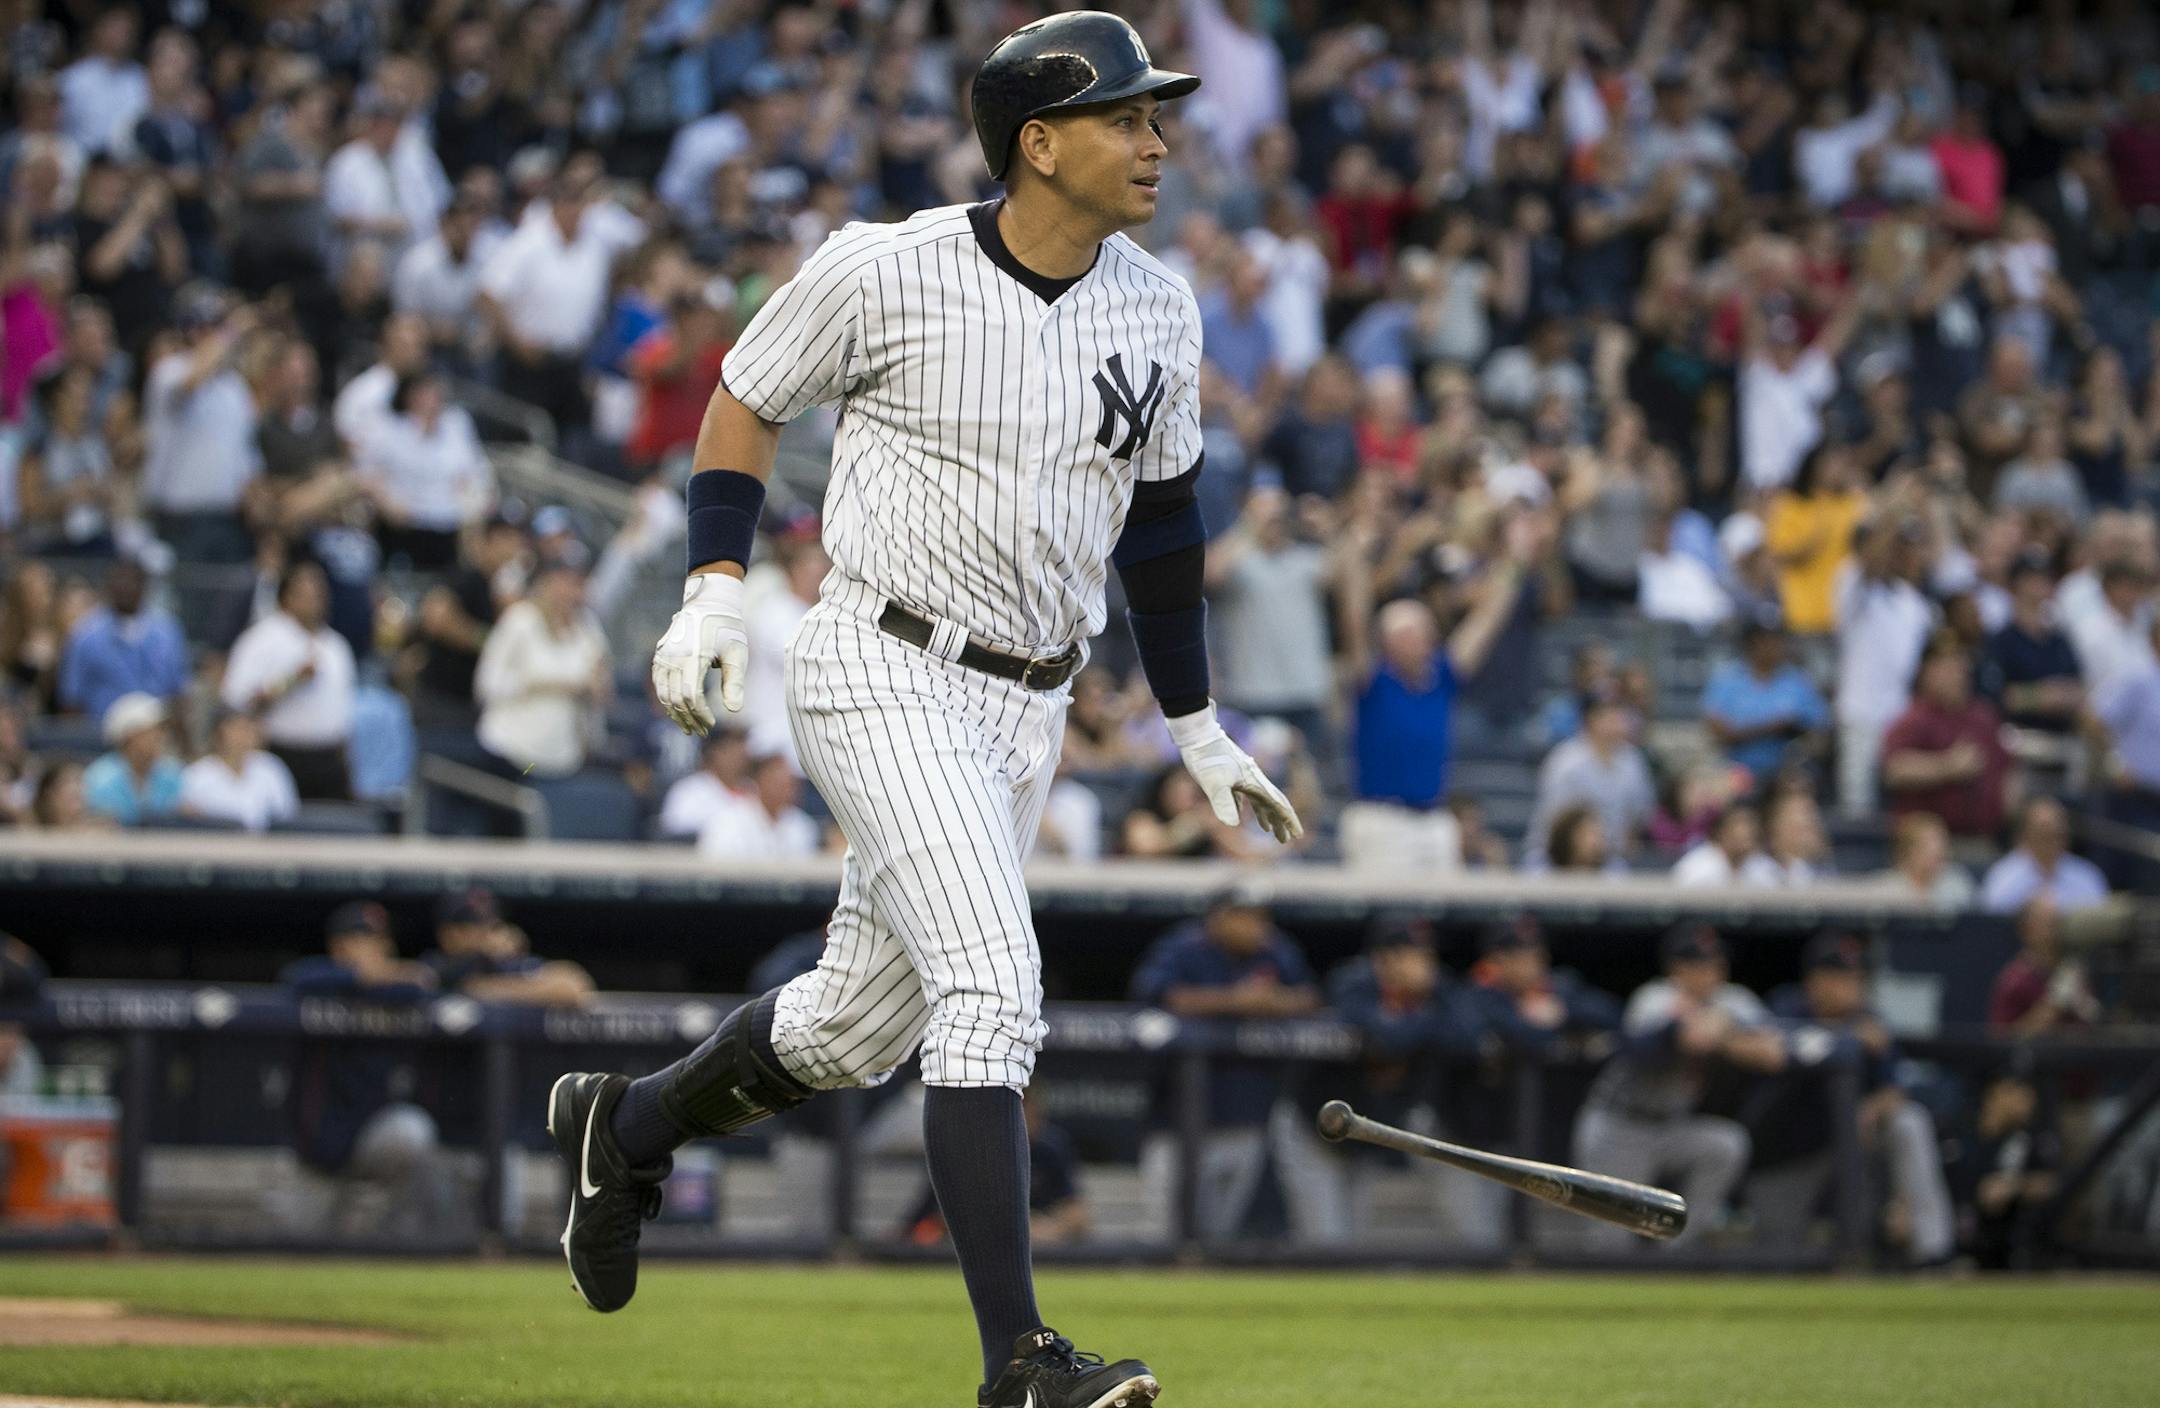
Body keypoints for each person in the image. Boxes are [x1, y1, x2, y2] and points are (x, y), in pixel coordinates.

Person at [546, 22, 1290, 1407]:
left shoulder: (1159, 307)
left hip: (1031, 706)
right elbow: (743, 398)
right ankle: (1018, 1363)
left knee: (850, 1031)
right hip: (883, 662)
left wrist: (1195, 726)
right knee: (994, 995)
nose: (1157, 142)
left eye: (1157, 116)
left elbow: (1169, 528)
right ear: (1039, 141)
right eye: (1127, 118)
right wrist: (714, 589)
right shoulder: (883, 266)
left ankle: (627, 1126)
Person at [1129, 881, 1325, 1244]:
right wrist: (1236, 1001)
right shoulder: (1184, 947)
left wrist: (1272, 1003)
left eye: (1258, 918)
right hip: (1176, 1124)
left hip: (1244, 1117)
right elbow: (1159, 994)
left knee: (1218, 1240)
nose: (1253, 927)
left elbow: (1309, 997)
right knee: (1162, 1237)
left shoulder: (1274, 950)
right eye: (1241, 918)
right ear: (1217, 918)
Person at [1572, 924, 1787, 1250]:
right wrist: (1708, 1032)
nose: (1708, 973)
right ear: (1676, 969)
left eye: (1715, 964)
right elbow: (1670, 1044)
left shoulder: (1733, 1001)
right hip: (1620, 1127)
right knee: (1611, 1246)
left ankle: (1674, 1253)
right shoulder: (1654, 998)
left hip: (1673, 1127)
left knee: (1725, 1145)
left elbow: (1772, 1054)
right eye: (1697, 964)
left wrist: (1723, 1032)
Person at [1342, 522, 1538, 870]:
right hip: (1381, 819)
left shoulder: (1441, 678)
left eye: (1425, 630)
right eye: (1411, 632)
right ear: (1389, 644)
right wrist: (1356, 559)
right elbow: (1355, 623)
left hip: (1433, 819)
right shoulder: (1373, 683)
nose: (1425, 638)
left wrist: (1516, 562)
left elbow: (1487, 620)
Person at [1752, 933, 1956, 1265]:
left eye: (1856, 978)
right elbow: (1770, 1052)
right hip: (1787, 1160)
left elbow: (1897, 1089)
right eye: (1840, 978)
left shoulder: (1870, 1020)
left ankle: (1933, 1252)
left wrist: (1872, 1108)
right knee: (1778, 1259)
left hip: (1845, 1155)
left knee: (1908, 1122)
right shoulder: (1786, 1008)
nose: (1851, 987)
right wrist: (1843, 1041)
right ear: (1815, 981)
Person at [281, 902, 459, 1239]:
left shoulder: (397, 992)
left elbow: (422, 985)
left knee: (413, 1131)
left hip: (370, 1140)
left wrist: (381, 977)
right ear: (337, 945)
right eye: (359, 938)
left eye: (377, 940)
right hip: (313, 1154)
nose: (371, 948)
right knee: (296, 1249)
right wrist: (362, 974)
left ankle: (396, 1240)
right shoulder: (316, 983)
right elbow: (295, 980)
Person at [1311, 916, 1491, 1247]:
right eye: (1413, 954)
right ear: (1384, 958)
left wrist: (1425, 1003)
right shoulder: (1353, 984)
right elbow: (1391, 1039)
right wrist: (1426, 1018)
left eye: (1427, 954)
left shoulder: (1439, 989)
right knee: (1327, 1241)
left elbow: (1471, 1041)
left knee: (1355, 1242)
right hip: (1313, 1130)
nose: (1424, 964)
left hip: (1365, 1129)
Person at [221, 561, 357, 800]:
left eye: (319, 593)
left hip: (328, 759)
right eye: (306, 594)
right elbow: (236, 702)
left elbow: (344, 712)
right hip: (281, 754)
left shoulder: (337, 646)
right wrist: (290, 681)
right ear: (287, 597)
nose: (314, 601)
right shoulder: (261, 640)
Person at [473, 560, 610, 779]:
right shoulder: (519, 620)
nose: (567, 591)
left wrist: (594, 689)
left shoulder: (589, 630)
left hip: (562, 760)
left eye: (576, 583)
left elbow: (602, 691)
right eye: (561, 581)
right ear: (545, 584)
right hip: (511, 753)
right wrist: (547, 685)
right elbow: (486, 684)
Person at [354, 369, 493, 570]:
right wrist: (385, 501)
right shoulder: (390, 429)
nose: (432, 400)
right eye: (424, 393)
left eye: (436, 393)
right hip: (404, 523)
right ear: (410, 396)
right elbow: (364, 470)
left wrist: (475, 500)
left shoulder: (457, 423)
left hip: (449, 523)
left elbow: (477, 469)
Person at [1881, 634, 2014, 839]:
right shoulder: (1913, 719)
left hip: (1986, 838)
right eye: (1946, 667)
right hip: (1929, 846)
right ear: (1926, 672)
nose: (1956, 674)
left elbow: (2008, 769)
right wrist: (1947, 766)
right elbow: (1895, 769)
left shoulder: (1984, 717)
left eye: (1960, 665)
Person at [1525, 696, 1656, 869]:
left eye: (1621, 717)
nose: (1619, 723)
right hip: (1556, 857)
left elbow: (1641, 813)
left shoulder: (1632, 761)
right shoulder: (1565, 762)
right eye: (1612, 717)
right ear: (1592, 720)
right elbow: (1556, 821)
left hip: (1608, 858)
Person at [55, 558, 187, 723]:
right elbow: (71, 699)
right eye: (120, 580)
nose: (125, 588)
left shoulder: (167, 632)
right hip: (100, 735)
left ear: (144, 586)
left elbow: (178, 692)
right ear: (108, 586)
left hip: (157, 735)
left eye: (132, 581)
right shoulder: (85, 635)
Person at [1702, 617, 1829, 785]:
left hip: (1785, 771)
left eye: (1778, 639)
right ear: (1750, 642)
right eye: (1765, 639)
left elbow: (1819, 735)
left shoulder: (1797, 680)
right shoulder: (1728, 678)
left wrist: (1798, 735)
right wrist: (1774, 727)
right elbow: (1719, 734)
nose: (1774, 645)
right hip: (1735, 769)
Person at [423, 886, 594, 1008]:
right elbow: (409, 977)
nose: (485, 932)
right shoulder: (436, 964)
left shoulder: (505, 964)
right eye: (473, 925)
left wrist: (492, 989)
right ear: (447, 934)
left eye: (490, 924)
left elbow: (572, 987)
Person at [1986, 548, 2083, 739]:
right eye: (2030, 578)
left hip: (2060, 740)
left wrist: (2065, 696)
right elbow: (1994, 696)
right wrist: (2040, 696)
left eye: (2043, 578)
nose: (2038, 585)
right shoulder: (2002, 641)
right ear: (2015, 584)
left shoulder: (2059, 640)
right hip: (2019, 739)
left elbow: (2079, 686)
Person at [1989, 894, 2101, 1036]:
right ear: (2026, 929)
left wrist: (2086, 1007)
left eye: (2056, 922)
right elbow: (2003, 1041)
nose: (2053, 930)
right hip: (2035, 1057)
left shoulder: (2071, 971)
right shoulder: (2014, 981)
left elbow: (2089, 1031)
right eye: (2046, 923)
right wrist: (2054, 1002)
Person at [1980, 797, 2110, 915]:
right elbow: (1992, 921)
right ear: (2025, 835)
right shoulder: (2003, 878)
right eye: (2044, 830)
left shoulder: (2088, 876)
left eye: (2058, 831)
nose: (2053, 835)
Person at [180, 709, 299, 833]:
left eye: (247, 729)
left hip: (265, 847)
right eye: (236, 729)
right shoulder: (196, 774)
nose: (243, 736)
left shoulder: (270, 767)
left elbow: (286, 814)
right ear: (218, 733)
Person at [81, 691, 184, 826]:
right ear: (129, 737)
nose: (159, 737)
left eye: (161, 730)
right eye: (151, 732)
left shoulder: (173, 772)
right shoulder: (99, 777)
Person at [696, 749, 820, 860]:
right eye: (777, 781)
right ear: (759, 780)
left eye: (791, 782)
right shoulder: (729, 819)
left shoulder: (802, 825)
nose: (787, 788)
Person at [657, 725, 752, 840]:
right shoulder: (688, 791)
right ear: (712, 752)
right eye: (729, 749)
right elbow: (674, 838)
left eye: (741, 746)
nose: (739, 755)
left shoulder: (754, 790)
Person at [1874, 812, 1978, 909]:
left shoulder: (1957, 883)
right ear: (1908, 851)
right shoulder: (1886, 887)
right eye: (1926, 847)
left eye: (1941, 845)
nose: (1939, 850)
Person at [1672, 804, 1763, 888]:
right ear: (1721, 831)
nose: (1748, 831)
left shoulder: (1761, 865)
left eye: (1751, 824)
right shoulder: (1699, 866)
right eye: (1739, 823)